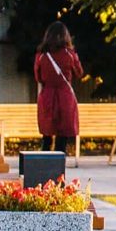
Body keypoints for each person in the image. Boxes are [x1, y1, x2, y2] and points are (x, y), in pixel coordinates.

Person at [34, 21, 83, 157]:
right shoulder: (69, 54)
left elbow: (38, 77)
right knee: (63, 133)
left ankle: (43, 162)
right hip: (65, 96)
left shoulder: (41, 56)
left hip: (47, 95)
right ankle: (59, 165)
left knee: (47, 133)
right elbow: (79, 72)